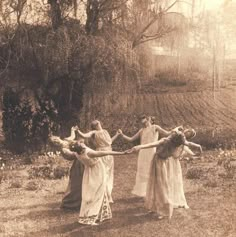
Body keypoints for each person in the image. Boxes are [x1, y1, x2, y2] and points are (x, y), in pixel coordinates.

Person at [128, 127, 202, 219]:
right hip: (156, 161)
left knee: (163, 186)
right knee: (154, 185)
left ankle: (163, 211)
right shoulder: (166, 141)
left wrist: (197, 148)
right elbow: (152, 144)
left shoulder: (176, 145)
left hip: (162, 163)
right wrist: (139, 147)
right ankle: (154, 207)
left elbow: (187, 144)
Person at [64, 140, 126, 225]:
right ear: (81, 147)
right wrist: (122, 153)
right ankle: (91, 216)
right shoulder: (89, 153)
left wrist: (65, 149)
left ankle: (101, 214)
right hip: (97, 171)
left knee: (91, 192)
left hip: (88, 172)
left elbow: (70, 151)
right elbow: (107, 152)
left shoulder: (76, 153)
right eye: (81, 143)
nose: (83, 142)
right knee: (97, 193)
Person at [119, 115, 171, 197]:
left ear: (149, 119)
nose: (142, 120)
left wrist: (176, 130)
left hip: (151, 151)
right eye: (141, 119)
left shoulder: (155, 127)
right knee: (143, 171)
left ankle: (154, 190)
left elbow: (167, 133)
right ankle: (145, 191)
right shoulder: (142, 130)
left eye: (143, 118)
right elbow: (131, 139)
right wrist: (122, 135)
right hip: (142, 152)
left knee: (152, 170)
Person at [76, 120, 120, 203]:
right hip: (101, 154)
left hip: (109, 154)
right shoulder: (94, 132)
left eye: (98, 123)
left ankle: (107, 194)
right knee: (104, 174)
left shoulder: (105, 131)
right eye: (97, 124)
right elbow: (84, 136)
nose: (99, 124)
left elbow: (109, 142)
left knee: (109, 174)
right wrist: (78, 131)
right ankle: (108, 196)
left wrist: (117, 134)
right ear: (95, 125)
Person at [49, 126, 84, 211]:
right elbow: (73, 155)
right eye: (55, 141)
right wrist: (80, 148)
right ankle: (70, 204)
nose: (57, 141)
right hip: (79, 164)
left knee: (84, 182)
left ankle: (85, 201)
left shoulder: (65, 141)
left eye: (56, 139)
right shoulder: (64, 150)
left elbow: (72, 137)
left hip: (82, 161)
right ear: (55, 144)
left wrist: (72, 130)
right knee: (77, 185)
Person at [167, 129, 198, 209]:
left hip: (174, 161)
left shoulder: (184, 143)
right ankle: (166, 199)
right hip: (168, 158)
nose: (188, 133)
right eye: (188, 131)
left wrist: (193, 154)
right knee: (167, 179)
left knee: (175, 180)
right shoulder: (176, 136)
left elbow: (188, 150)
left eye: (190, 134)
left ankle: (175, 199)